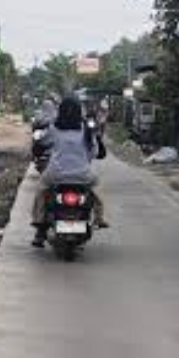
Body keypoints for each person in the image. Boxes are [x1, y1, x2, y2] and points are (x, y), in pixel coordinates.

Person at [32, 95, 107, 246]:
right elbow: (94, 152)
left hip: (56, 175)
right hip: (83, 175)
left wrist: (38, 148)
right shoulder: (86, 129)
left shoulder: (54, 128)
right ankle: (99, 218)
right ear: (80, 111)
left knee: (40, 192)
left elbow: (42, 143)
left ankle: (39, 225)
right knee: (97, 191)